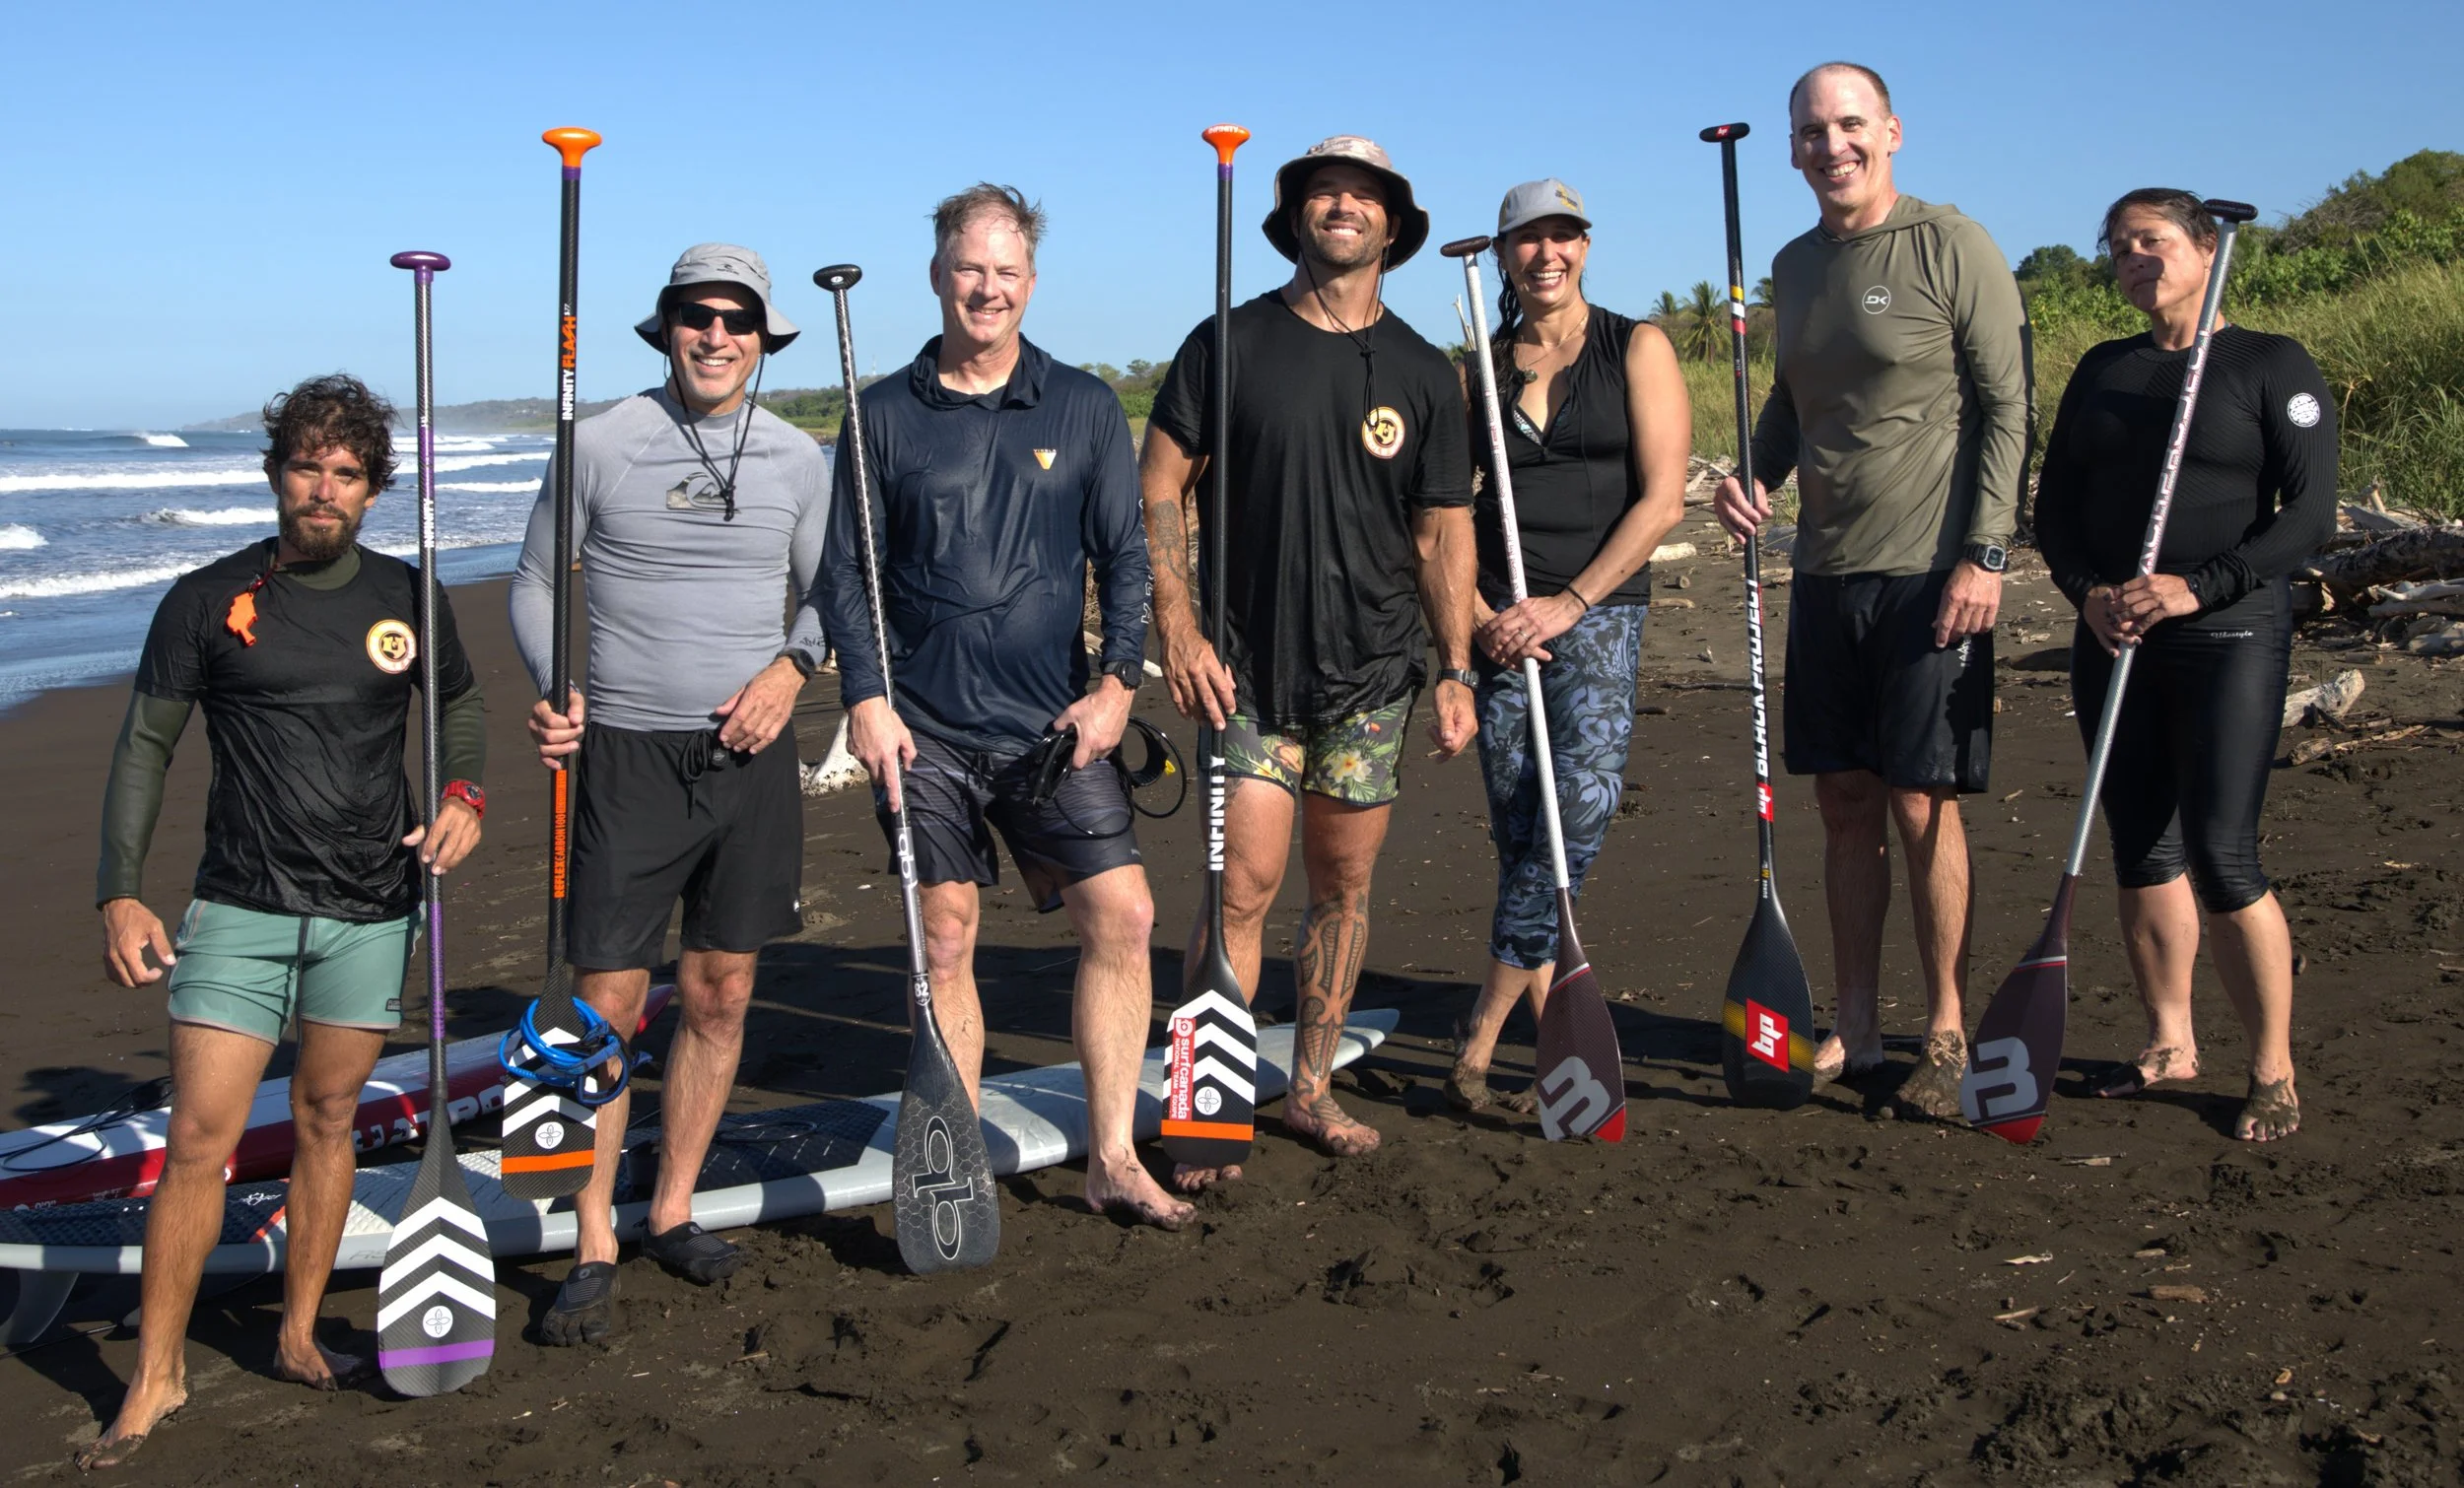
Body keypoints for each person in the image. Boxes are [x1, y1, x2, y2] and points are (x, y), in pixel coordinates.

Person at [83, 375, 486, 1468]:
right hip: (241, 909)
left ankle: (299, 1333)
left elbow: (456, 701)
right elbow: (145, 744)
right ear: (275, 475)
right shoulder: (206, 599)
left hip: (372, 909)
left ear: (373, 489)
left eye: (345, 473)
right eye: (306, 466)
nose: (323, 488)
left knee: (328, 1117)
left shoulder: (409, 594)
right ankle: (156, 1373)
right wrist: (121, 889)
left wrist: (463, 795)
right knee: (197, 1143)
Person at [822, 183, 1192, 1230]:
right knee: (945, 937)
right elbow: (847, 575)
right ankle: (954, 1151)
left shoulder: (1079, 406)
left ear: (1031, 282)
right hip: (925, 730)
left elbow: (1126, 558)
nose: (988, 288)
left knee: (1124, 915)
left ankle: (1113, 1158)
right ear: (937, 275)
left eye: (1006, 271)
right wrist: (866, 699)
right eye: (970, 268)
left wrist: (1116, 685)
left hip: (1052, 727)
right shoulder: (880, 415)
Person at [1144, 134, 1478, 1183]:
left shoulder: (1424, 372)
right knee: (1241, 889)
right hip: (1247, 672)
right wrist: (1178, 627)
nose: (1343, 206)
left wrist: (1457, 667)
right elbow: (1160, 484)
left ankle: (1310, 1090)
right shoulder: (1228, 343)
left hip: (1373, 678)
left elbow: (1441, 533)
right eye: (1324, 191)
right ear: (1294, 217)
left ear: (1393, 225)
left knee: (1341, 888)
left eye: (1363, 195)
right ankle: (1206, 1102)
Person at [513, 243, 830, 1343]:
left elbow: (829, 594)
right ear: (667, 329)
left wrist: (790, 671)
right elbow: (537, 579)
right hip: (626, 759)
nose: (716, 335)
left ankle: (672, 1208)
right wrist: (555, 685)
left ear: (764, 337)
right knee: (606, 1004)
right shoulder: (600, 441)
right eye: (697, 316)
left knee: (720, 992)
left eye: (737, 319)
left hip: (749, 763)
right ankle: (593, 1236)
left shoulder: (797, 457)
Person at [1715, 63, 2031, 1116]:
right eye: (1812, 131)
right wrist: (1751, 476)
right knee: (1844, 802)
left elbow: (2007, 405)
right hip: (1824, 570)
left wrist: (1986, 554)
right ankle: (1854, 1024)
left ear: (1891, 131)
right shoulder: (1795, 264)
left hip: (1930, 573)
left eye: (1850, 124)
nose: (1831, 145)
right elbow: (1791, 401)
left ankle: (1944, 1030)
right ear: (1792, 149)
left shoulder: (1951, 243)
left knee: (1919, 800)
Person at [2034, 188, 2336, 1142]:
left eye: (2153, 240)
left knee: (2222, 852)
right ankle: (2169, 1040)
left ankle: (2272, 1068)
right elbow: (2055, 509)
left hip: (2228, 634)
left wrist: (2197, 588)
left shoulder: (2268, 363)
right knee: (2142, 844)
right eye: (2119, 246)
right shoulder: (2103, 368)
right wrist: (2087, 592)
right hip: (2115, 635)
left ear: (2207, 248)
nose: (2135, 258)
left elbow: (2309, 515)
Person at [1446, 180, 1690, 1112]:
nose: (1545, 254)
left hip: (1598, 615)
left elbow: (1662, 499)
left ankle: (1478, 1038)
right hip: (1500, 627)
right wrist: (1479, 611)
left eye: (1563, 236)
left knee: (1573, 819)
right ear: (1505, 254)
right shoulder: (1476, 367)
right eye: (1527, 239)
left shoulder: (1638, 346)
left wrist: (1570, 603)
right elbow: (1439, 509)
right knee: (1522, 834)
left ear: (1585, 246)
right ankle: (1559, 1033)